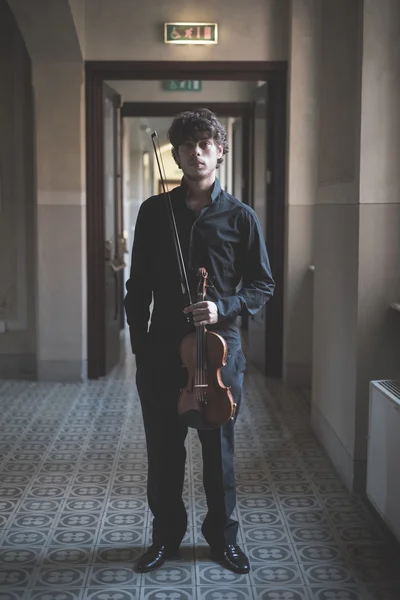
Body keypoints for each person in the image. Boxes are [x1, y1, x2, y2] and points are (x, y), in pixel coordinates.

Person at [124, 109, 275, 574]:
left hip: (219, 354)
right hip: (164, 353)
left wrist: (223, 306)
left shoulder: (241, 217)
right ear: (176, 153)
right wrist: (141, 351)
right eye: (187, 144)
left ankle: (222, 541)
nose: (196, 152)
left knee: (219, 456)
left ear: (220, 152)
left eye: (205, 143)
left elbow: (261, 286)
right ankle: (166, 538)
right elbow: (137, 290)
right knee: (164, 455)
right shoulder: (154, 212)